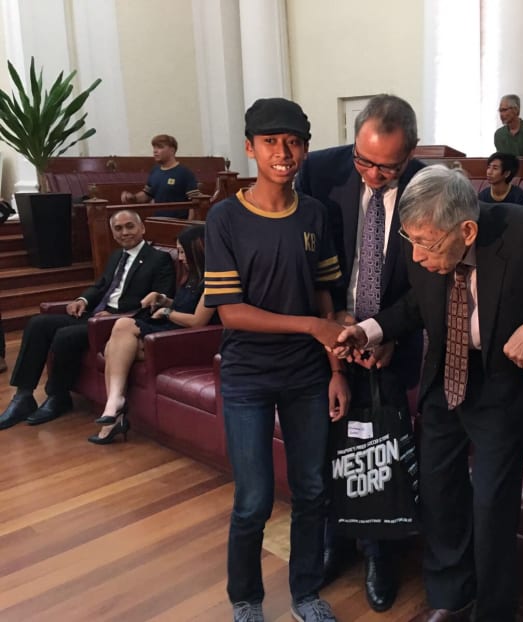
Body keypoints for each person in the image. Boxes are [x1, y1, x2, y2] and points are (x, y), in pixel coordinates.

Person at [335, 165, 523, 621]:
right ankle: (451, 595)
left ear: (467, 230)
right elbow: (417, 305)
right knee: (438, 490)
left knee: (491, 504)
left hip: (503, 384)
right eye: (411, 243)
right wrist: (368, 331)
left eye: (426, 245)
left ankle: (493, 610)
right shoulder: (426, 244)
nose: (417, 257)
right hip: (445, 379)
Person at [204, 97, 348, 622]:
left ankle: (306, 593)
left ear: (305, 148)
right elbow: (230, 313)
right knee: (255, 499)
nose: (283, 153)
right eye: (270, 142)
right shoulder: (224, 218)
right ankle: (247, 599)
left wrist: (335, 368)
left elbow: (325, 296)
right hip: (247, 377)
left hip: (309, 376)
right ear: (250, 147)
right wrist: (312, 326)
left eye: (293, 142)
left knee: (312, 489)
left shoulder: (315, 213)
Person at [296, 94, 424, 612]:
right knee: (328, 442)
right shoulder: (322, 171)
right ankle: (336, 540)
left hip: (391, 340)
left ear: (410, 152)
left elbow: (431, 281)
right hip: (330, 331)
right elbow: (307, 257)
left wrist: (385, 333)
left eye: (386, 166)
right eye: (363, 160)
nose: (372, 174)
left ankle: (379, 550)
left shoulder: (427, 186)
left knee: (384, 448)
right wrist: (334, 326)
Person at [0, 210, 175, 431]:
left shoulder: (159, 259)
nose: (124, 232)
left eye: (130, 226)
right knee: (37, 323)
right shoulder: (116, 256)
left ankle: (58, 396)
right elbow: (101, 286)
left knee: (66, 335)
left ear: (142, 228)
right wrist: (82, 299)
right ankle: (23, 396)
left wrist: (115, 316)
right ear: (113, 233)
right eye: (118, 229)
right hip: (95, 315)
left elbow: (158, 302)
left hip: (121, 323)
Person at [89, 224, 218, 445]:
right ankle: (113, 409)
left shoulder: (215, 279)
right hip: (173, 332)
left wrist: (167, 311)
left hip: (190, 340)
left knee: (119, 334)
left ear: (198, 250)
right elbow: (183, 306)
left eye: (183, 251)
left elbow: (197, 321)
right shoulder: (192, 276)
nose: (179, 257)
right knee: (116, 340)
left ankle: (114, 411)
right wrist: (162, 299)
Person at [121, 134, 200, 218]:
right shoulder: (155, 171)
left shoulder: (184, 173)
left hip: (178, 223)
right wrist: (132, 198)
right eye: (154, 147)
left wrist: (189, 225)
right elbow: (147, 195)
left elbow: (195, 203)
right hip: (158, 222)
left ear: (172, 150)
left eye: (160, 147)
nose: (155, 151)